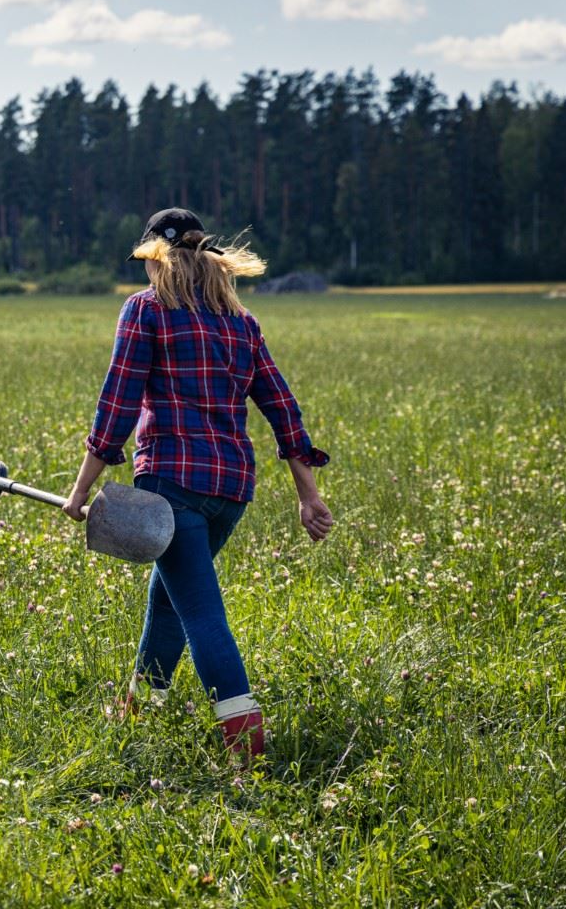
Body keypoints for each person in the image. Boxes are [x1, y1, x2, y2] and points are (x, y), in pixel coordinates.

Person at [61, 208, 333, 759]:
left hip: (171, 486)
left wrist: (81, 488)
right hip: (230, 492)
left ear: (157, 261)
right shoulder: (241, 322)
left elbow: (117, 402)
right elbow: (282, 406)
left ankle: (248, 749)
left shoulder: (146, 312)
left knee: (202, 613)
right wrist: (308, 493)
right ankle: (138, 717)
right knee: (172, 602)